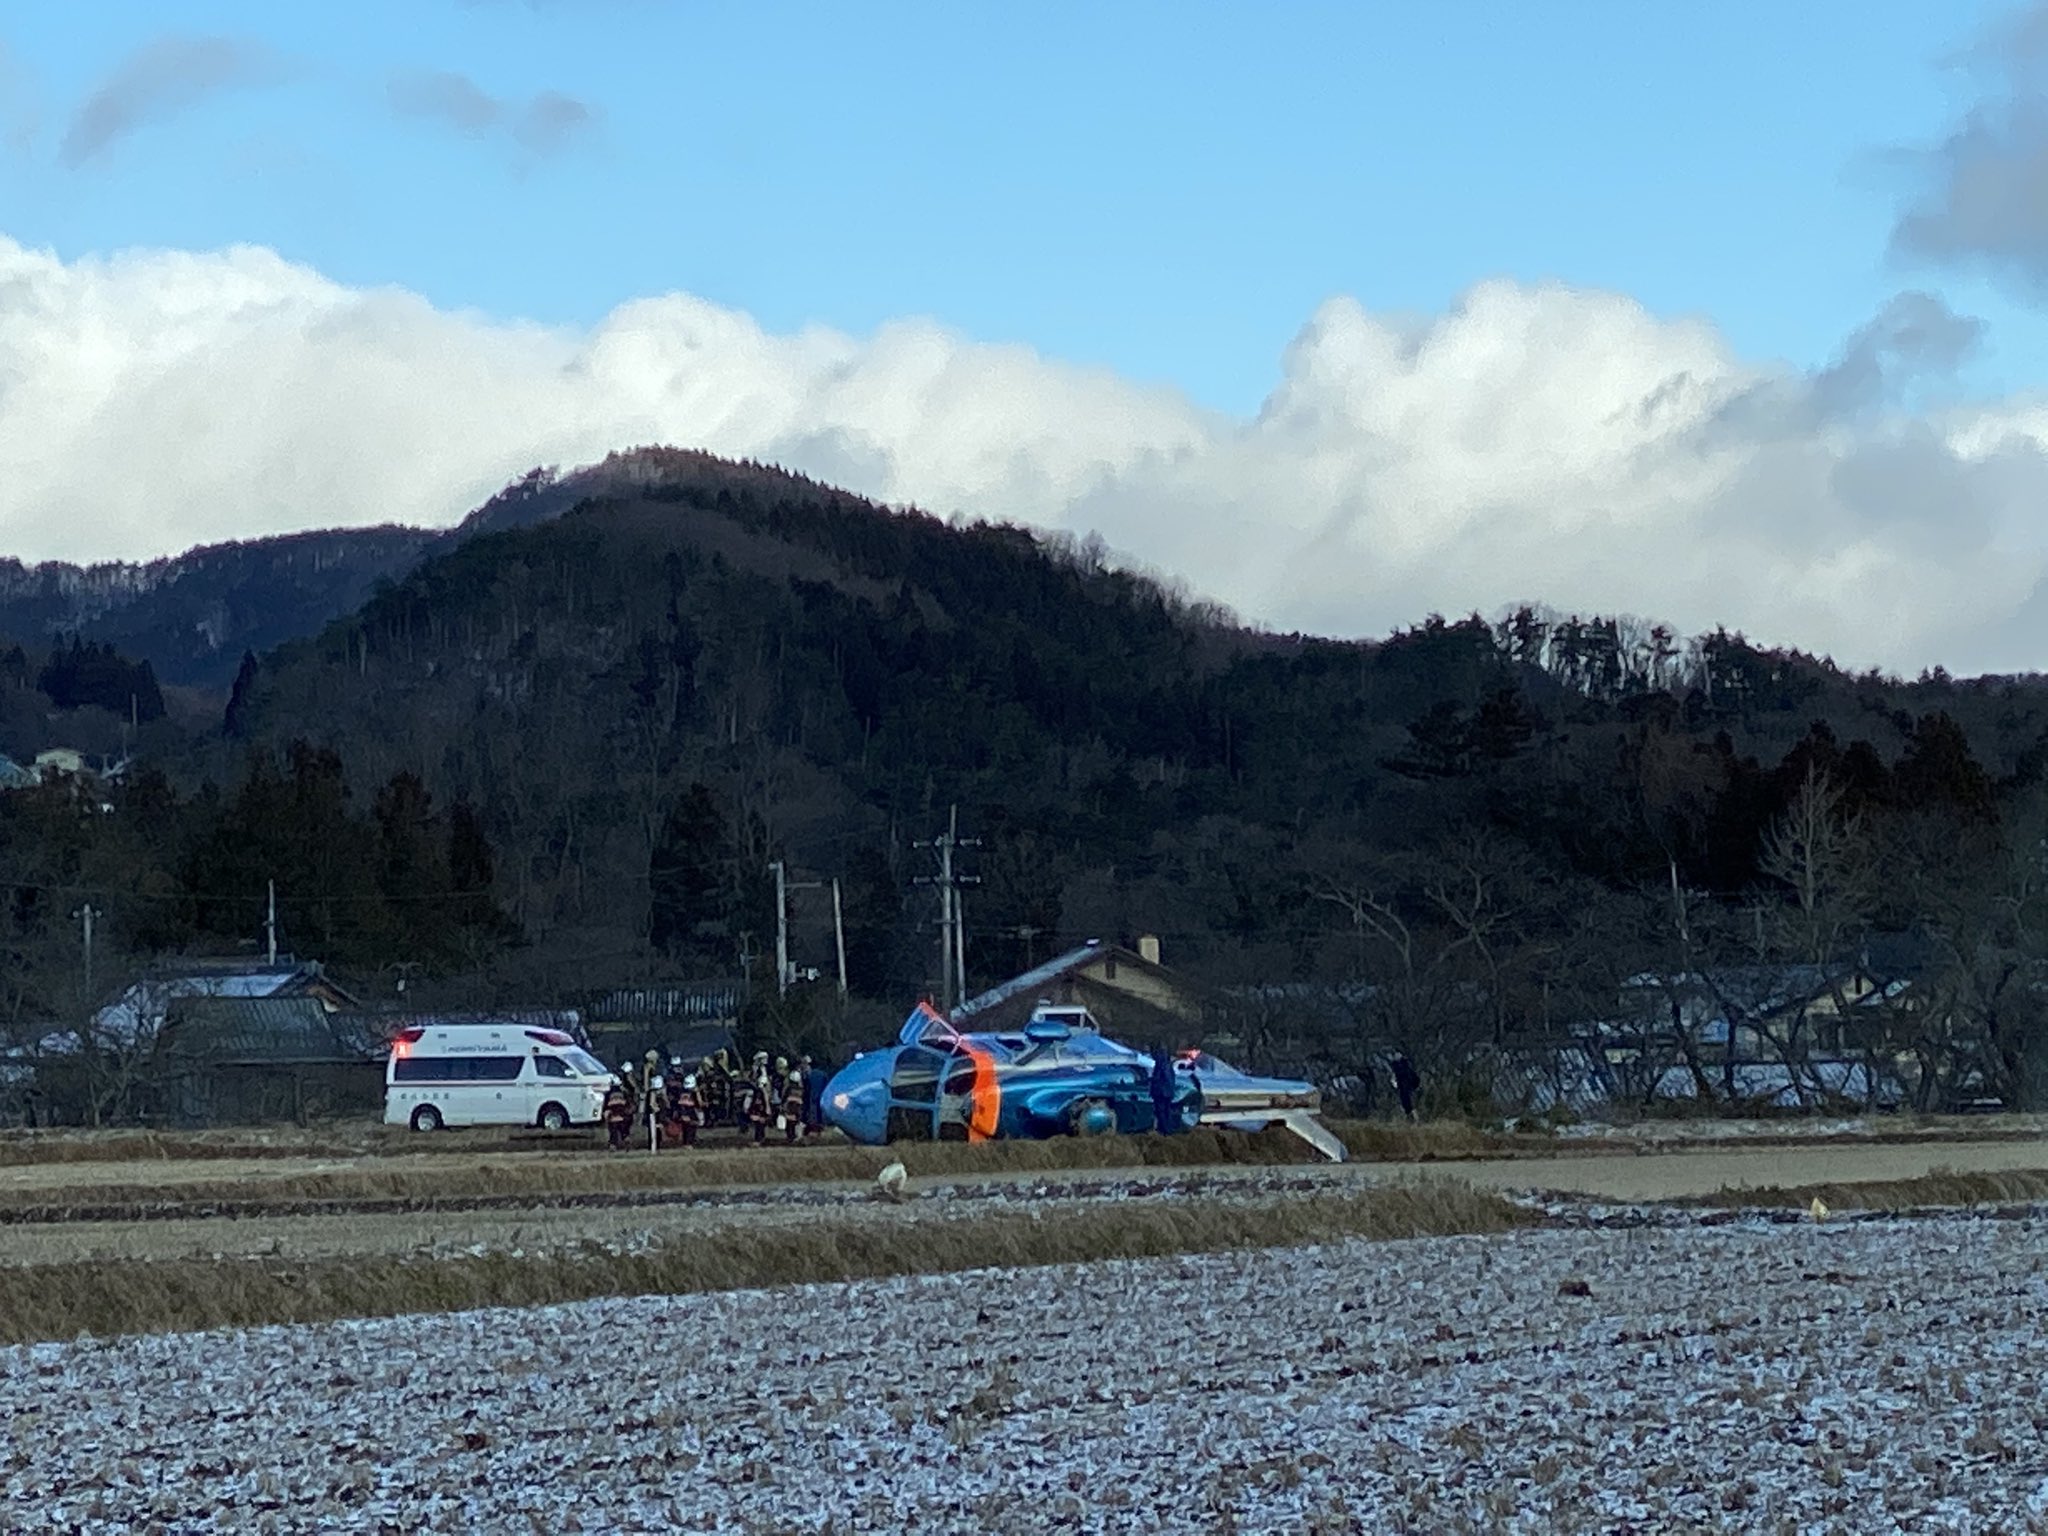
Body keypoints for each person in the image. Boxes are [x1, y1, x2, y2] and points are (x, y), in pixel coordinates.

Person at [664, 1069, 701, 1148]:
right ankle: (688, 1143)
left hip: (686, 1111)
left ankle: (688, 1142)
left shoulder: (682, 1091)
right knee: (690, 1126)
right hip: (686, 1111)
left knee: (689, 1126)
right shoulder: (686, 1092)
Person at [1148, 1042, 1180, 1134]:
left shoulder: (1160, 1063)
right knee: (1167, 1111)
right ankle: (1167, 1129)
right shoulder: (1169, 1064)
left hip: (1161, 1092)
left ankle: (1164, 1130)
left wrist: (1151, 1081)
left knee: (1161, 1111)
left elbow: (1158, 1077)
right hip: (1169, 1091)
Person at [780, 1059, 807, 1143]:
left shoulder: (789, 1088)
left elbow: (784, 1096)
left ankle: (790, 1137)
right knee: (796, 1122)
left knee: (789, 1123)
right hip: (797, 1107)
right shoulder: (801, 1089)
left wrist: (782, 1104)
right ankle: (796, 1136)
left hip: (790, 1106)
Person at [602, 1077, 632, 1150]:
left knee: (613, 1132)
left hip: (612, 1117)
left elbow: (605, 1107)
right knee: (624, 1131)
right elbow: (629, 1106)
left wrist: (605, 1116)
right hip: (623, 1116)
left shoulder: (608, 1094)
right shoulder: (624, 1093)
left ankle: (613, 1145)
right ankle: (626, 1139)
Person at [1392, 1053, 1421, 1122]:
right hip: (1405, 1088)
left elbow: (1413, 1078)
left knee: (1408, 1104)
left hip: (1407, 1088)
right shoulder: (1405, 1067)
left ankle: (1413, 1118)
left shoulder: (1404, 1068)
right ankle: (1411, 1118)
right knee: (1407, 1104)